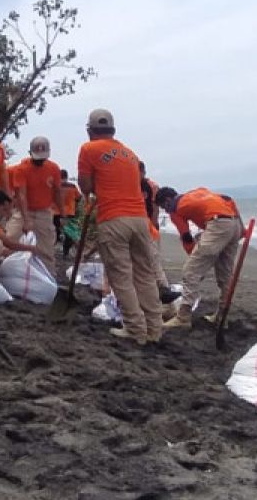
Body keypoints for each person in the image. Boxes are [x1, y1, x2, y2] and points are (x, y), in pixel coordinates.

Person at [77, 109, 163, 345]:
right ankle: (154, 329)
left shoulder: (88, 149)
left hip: (113, 218)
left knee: (121, 277)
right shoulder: (130, 154)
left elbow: (85, 185)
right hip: (140, 219)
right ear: (112, 130)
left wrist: (96, 187)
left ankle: (136, 329)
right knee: (145, 275)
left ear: (89, 130)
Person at [154, 186, 243, 328]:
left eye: (163, 207)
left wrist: (195, 262)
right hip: (234, 223)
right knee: (225, 276)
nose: (165, 210)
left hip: (217, 225)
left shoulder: (174, 209)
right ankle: (222, 317)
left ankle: (183, 317)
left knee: (190, 271)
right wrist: (242, 230)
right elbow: (228, 199)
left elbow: (187, 238)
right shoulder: (199, 192)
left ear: (168, 200)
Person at [6, 137, 63, 270]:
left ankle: (49, 276)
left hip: (44, 212)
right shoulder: (22, 169)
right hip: (23, 211)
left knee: (46, 249)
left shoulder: (53, 168)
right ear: (30, 152)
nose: (40, 160)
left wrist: (63, 214)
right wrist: (26, 220)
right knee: (9, 240)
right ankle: (3, 269)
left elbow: (57, 192)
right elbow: (21, 195)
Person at [138, 162, 177, 302]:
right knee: (139, 260)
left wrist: (153, 226)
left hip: (148, 225)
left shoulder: (151, 186)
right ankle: (150, 289)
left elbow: (155, 208)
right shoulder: (129, 185)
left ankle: (163, 288)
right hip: (134, 225)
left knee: (153, 258)